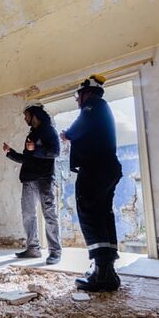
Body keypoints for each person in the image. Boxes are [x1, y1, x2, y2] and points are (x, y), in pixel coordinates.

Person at [60, 75, 122, 291]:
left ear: (87, 92)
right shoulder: (101, 108)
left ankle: (102, 273)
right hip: (106, 167)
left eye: (78, 95)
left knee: (90, 214)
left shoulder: (93, 105)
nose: (77, 100)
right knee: (103, 216)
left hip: (95, 168)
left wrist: (67, 134)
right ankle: (106, 270)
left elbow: (77, 129)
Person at [3, 100, 62, 265]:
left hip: (44, 179)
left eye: (26, 115)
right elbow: (26, 158)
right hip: (28, 180)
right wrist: (10, 153)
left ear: (34, 114)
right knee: (28, 215)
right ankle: (33, 249)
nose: (25, 118)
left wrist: (35, 149)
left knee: (49, 214)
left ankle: (55, 252)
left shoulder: (49, 131)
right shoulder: (31, 134)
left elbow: (55, 152)